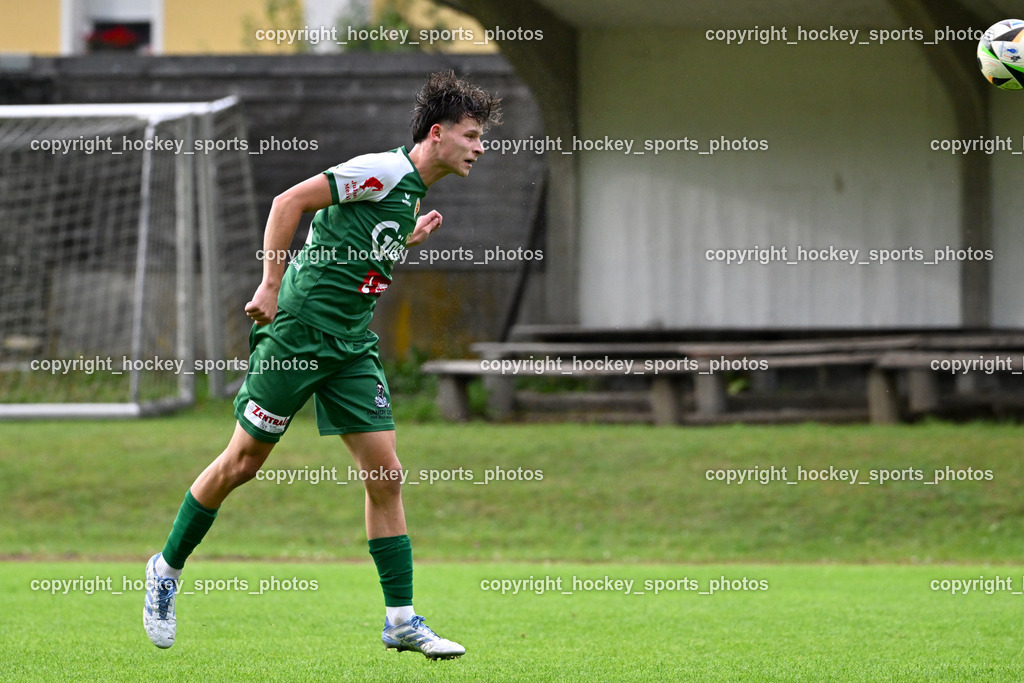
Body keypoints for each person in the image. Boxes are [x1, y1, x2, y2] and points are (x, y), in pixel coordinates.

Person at [143, 70, 501, 660]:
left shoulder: (409, 191)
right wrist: (269, 283)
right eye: (471, 135)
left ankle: (401, 619)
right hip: (299, 335)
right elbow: (291, 202)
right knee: (243, 463)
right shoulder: (383, 170)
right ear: (437, 135)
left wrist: (402, 240)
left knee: (386, 473)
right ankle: (166, 567)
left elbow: (354, 242)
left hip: (351, 347)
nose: (480, 148)